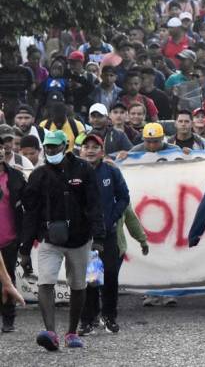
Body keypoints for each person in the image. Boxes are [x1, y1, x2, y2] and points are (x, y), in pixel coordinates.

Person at [19, 130, 105, 351]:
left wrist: (98, 238)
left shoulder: (83, 169)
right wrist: (25, 248)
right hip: (50, 239)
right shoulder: (38, 175)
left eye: (55, 147)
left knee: (78, 285)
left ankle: (72, 332)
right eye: (47, 147)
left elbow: (94, 204)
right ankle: (50, 332)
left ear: (65, 146)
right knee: (45, 282)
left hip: (80, 239)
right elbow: (31, 212)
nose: (50, 151)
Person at [77, 134, 130, 336]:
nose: (90, 150)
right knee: (90, 278)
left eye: (94, 147)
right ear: (80, 150)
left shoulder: (111, 172)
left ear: (102, 151)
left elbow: (124, 197)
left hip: (107, 234)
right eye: (86, 146)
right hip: (85, 236)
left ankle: (109, 316)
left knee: (110, 275)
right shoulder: (75, 172)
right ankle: (87, 320)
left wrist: (113, 217)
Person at [0, 155, 26, 333]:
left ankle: (8, 319)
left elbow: (29, 201)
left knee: (8, 278)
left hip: (9, 237)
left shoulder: (15, 176)